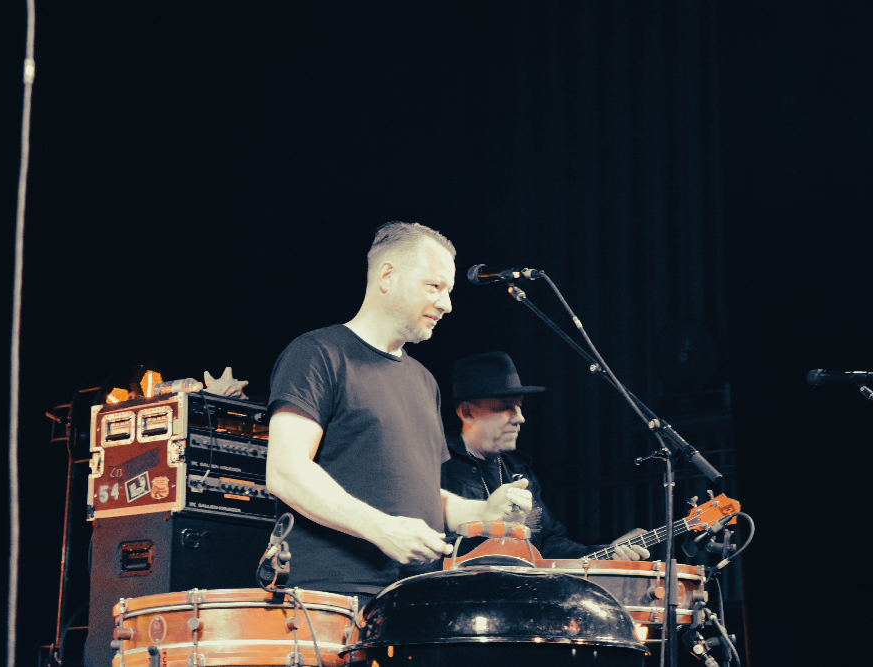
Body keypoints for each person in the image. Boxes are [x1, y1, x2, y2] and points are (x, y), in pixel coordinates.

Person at [265, 222, 532, 602]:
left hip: (414, 598)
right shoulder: (318, 354)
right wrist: (380, 528)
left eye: (449, 291)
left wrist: (482, 511)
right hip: (331, 597)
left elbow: (421, 496)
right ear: (387, 276)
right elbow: (284, 471)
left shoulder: (424, 380)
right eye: (434, 286)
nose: (447, 303)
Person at [441, 351, 650, 560]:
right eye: (506, 408)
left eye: (519, 406)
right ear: (468, 412)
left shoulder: (519, 471)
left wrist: (605, 553)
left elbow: (548, 546)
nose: (520, 418)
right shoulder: (438, 461)